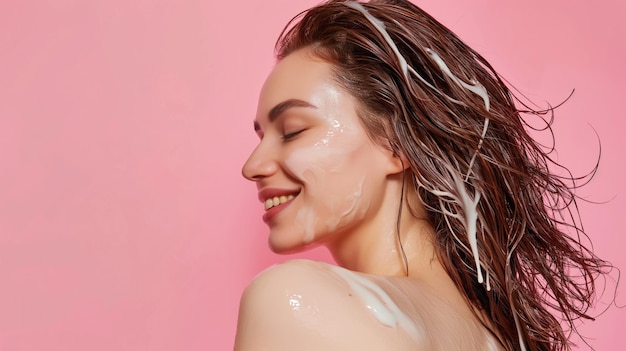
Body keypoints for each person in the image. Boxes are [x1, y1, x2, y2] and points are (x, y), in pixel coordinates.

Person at [234, 1, 612, 350]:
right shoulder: (502, 337)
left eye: (293, 130)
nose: (252, 166)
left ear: (396, 143)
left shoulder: (293, 302)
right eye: (261, 137)